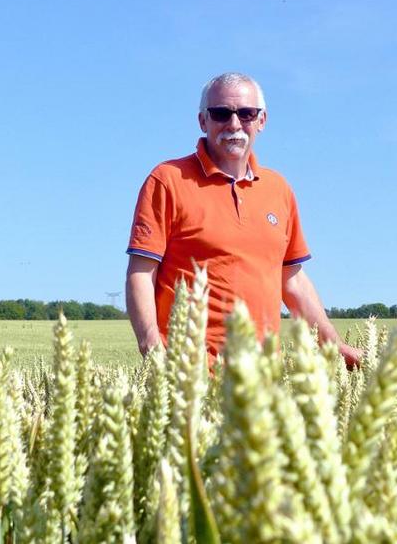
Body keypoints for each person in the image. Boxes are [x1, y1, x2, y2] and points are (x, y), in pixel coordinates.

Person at [126, 72, 361, 368]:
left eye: (246, 114)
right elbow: (141, 271)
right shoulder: (167, 180)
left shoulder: (279, 189)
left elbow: (292, 280)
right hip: (188, 376)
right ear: (203, 121)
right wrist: (151, 344)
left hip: (261, 377)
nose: (234, 124)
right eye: (221, 113)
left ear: (261, 121)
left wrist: (334, 345)